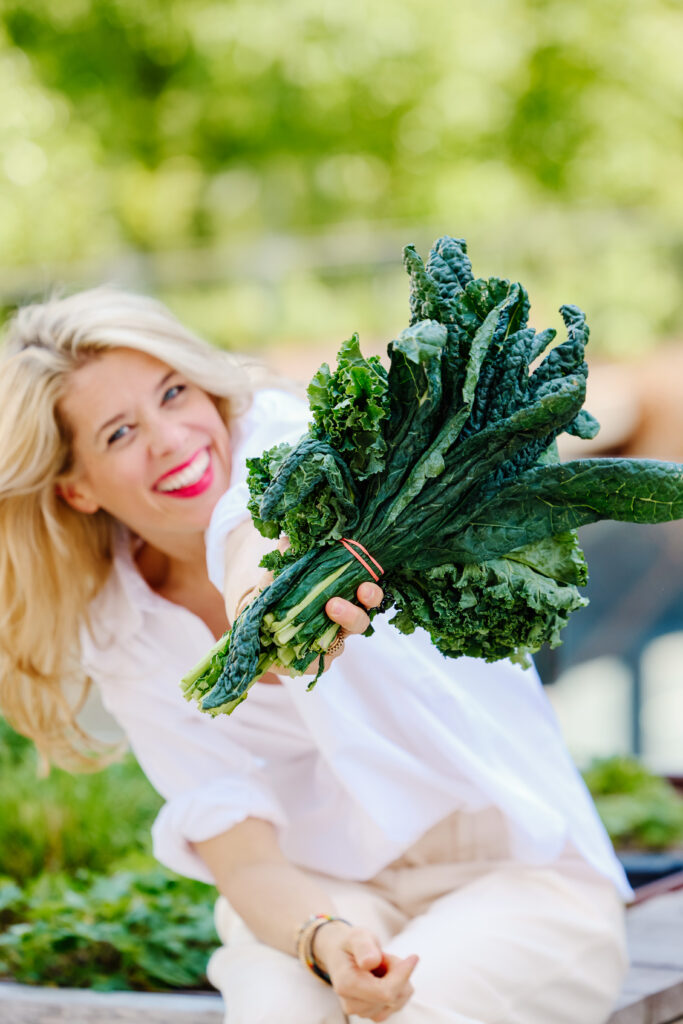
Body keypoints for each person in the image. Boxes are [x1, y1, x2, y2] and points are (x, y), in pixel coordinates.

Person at [0, 285, 632, 1024]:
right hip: (324, 890)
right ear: (76, 488)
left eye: (174, 392)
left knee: (411, 1015)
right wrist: (323, 940)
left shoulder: (296, 441)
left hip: (518, 871)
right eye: (118, 433)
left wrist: (254, 610)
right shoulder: (119, 626)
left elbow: (261, 527)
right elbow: (242, 853)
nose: (170, 438)